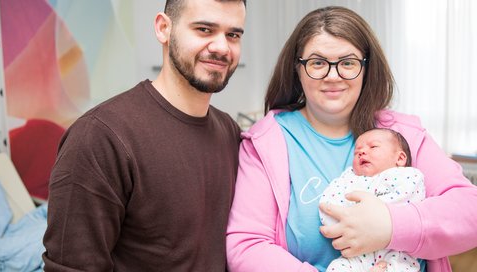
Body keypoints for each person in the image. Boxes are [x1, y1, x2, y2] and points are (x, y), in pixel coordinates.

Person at [226, 6, 477, 272]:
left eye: (347, 63)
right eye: (318, 63)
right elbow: (247, 246)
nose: (333, 76)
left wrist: (390, 226)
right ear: (297, 69)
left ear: (367, 68)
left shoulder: (403, 136)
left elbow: (470, 211)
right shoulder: (266, 143)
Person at [43, 0, 246, 270]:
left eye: (233, 35)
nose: (222, 47)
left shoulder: (228, 132)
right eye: (204, 29)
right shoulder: (100, 137)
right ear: (163, 28)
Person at [320, 128, 425, 271]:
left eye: (373, 147)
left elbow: (406, 200)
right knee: (337, 267)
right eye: (357, 152)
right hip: (356, 255)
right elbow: (328, 205)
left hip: (395, 253)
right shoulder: (348, 180)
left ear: (400, 158)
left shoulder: (406, 176)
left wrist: (370, 214)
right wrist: (342, 222)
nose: (362, 152)